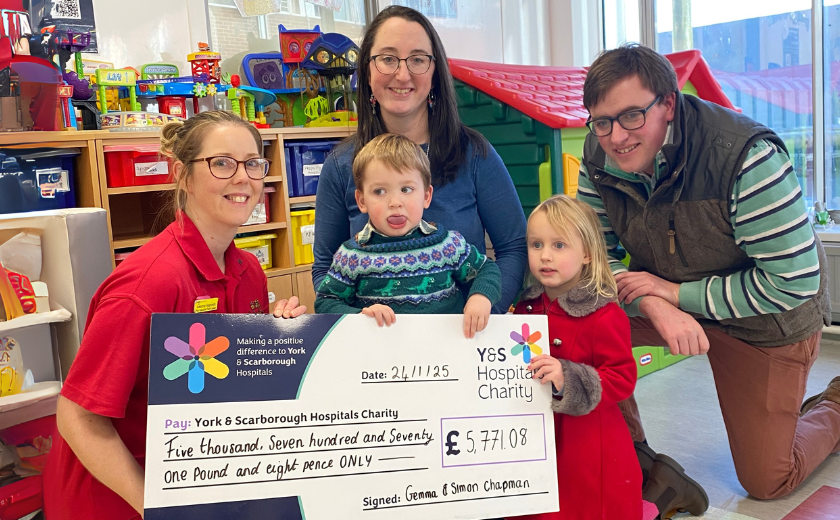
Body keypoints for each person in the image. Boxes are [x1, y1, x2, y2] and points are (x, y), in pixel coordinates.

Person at [577, 43, 840, 511]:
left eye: (631, 116)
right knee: (576, 322)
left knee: (767, 480)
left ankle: (832, 409)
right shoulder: (596, 155)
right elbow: (593, 263)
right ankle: (634, 460)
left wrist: (676, 294)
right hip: (665, 296)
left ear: (669, 104)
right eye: (601, 122)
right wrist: (653, 303)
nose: (616, 136)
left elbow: (792, 282)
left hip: (767, 318)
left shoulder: (747, 157)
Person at [42, 111, 305, 520]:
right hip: (118, 499)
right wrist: (155, 507)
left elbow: (224, 376)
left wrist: (274, 337)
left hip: (190, 481)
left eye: (253, 163)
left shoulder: (247, 271)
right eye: (222, 163)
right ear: (183, 175)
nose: (243, 178)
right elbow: (78, 416)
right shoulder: (148, 285)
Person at [313, 5, 526, 315]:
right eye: (387, 58)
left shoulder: (474, 154)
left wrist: (483, 315)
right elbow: (325, 269)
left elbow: (514, 248)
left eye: (417, 59)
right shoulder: (340, 164)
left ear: (435, 72)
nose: (402, 74)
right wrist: (357, 324)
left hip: (465, 336)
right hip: (375, 341)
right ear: (367, 71)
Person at [510, 195, 641, 520]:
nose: (545, 255)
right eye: (536, 244)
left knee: (579, 506)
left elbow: (622, 378)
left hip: (585, 443)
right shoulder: (524, 307)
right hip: (532, 433)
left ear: (587, 253)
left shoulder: (604, 314)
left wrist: (568, 377)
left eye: (559, 245)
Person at [315, 133, 500, 339]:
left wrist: (480, 296)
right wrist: (359, 317)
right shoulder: (351, 256)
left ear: (426, 196)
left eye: (406, 189)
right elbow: (326, 302)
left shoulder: (447, 245)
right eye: (379, 191)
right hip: (382, 354)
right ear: (361, 200)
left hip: (447, 350)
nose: (395, 202)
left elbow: (486, 269)